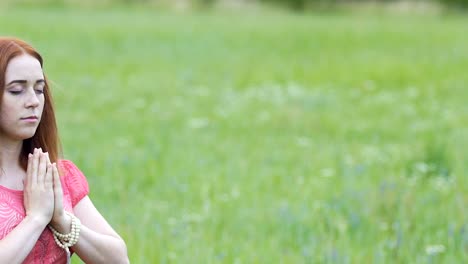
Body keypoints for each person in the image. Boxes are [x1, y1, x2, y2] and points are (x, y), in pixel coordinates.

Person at [0, 37, 129, 264]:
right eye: (17, 90)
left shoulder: (57, 175)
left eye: (39, 90)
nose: (33, 101)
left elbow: (119, 259)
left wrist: (62, 220)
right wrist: (37, 218)